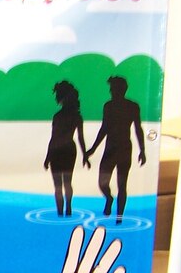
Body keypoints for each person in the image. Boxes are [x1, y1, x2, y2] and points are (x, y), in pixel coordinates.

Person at [85, 75, 146, 222]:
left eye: (114, 88)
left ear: (122, 89)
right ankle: (109, 198)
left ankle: (119, 217)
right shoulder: (108, 106)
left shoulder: (133, 106)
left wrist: (142, 150)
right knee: (102, 182)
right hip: (110, 148)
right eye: (111, 89)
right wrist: (92, 149)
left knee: (122, 184)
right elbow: (104, 129)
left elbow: (138, 129)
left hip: (124, 148)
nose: (112, 91)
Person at [43, 80, 89, 217]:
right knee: (66, 183)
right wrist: (85, 155)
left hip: (59, 150)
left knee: (59, 184)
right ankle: (67, 209)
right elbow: (80, 138)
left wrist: (47, 157)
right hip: (68, 149)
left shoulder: (59, 116)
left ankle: (62, 211)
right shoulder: (76, 116)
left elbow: (54, 138)